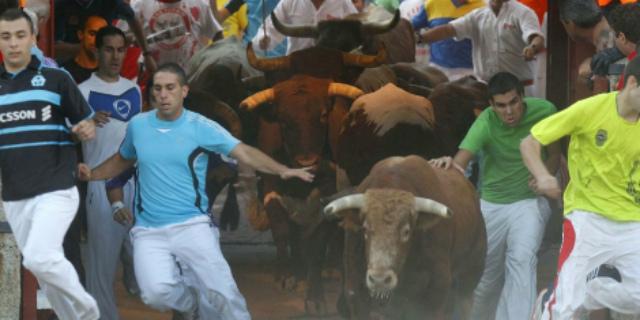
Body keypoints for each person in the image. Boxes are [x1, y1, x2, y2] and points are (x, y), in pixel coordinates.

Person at [77, 63, 314, 319]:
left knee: (223, 294)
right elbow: (123, 159)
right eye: (158, 89)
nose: (163, 95)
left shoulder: (201, 126)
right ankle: (192, 305)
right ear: (152, 93)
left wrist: (282, 170)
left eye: (170, 88)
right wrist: (93, 174)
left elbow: (243, 151)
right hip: (149, 230)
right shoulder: (138, 125)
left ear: (184, 91)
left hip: (192, 226)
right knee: (154, 294)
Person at [430, 72, 560, 320]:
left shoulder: (545, 110)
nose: (509, 111)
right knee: (486, 279)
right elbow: (460, 163)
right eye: (501, 105)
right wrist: (448, 162)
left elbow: (554, 154)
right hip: (491, 205)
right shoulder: (485, 123)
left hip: (529, 202)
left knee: (522, 262)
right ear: (491, 105)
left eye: (513, 102)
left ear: (523, 97)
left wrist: (545, 175)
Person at [523, 56, 640, 320]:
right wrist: (542, 175)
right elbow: (529, 143)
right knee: (565, 310)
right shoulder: (588, 109)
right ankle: (550, 304)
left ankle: (593, 292)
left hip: (633, 221)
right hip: (587, 218)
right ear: (632, 83)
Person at [0, 8, 99, 320]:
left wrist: (87, 128)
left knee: (41, 259)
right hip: (14, 194)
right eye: (5, 36)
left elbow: (88, 122)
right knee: (42, 268)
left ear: (33, 38)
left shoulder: (56, 79)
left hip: (55, 189)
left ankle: (88, 311)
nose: (13, 43)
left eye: (19, 35)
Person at [78, 25, 142, 320]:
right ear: (96, 51)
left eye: (120, 50)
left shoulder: (133, 91)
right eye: (109, 49)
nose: (115, 56)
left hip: (135, 186)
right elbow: (68, 138)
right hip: (100, 186)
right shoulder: (82, 92)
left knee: (144, 258)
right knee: (100, 267)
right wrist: (85, 124)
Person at [421, 0, 544, 96]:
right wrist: (420, 38)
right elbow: (449, 30)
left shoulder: (523, 13)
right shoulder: (477, 16)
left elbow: (536, 37)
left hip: (520, 90)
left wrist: (532, 48)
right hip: (486, 92)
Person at [54, 0, 156, 73]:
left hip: (103, 66)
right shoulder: (60, 5)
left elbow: (132, 18)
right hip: (70, 65)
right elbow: (53, 48)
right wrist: (87, 48)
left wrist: (147, 54)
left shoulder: (111, 2)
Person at [131, 0, 223, 69]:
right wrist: (139, 40)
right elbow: (124, 38)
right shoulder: (141, 5)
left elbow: (217, 34)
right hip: (153, 76)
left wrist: (213, 62)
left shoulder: (199, 4)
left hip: (190, 78)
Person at [411, 0, 485, 81]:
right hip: (437, 70)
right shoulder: (432, 3)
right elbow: (410, 27)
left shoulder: (484, 8)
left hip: (471, 71)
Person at [251, 0, 358, 55]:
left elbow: (358, 34)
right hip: (295, 67)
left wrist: (343, 28)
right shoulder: (290, 2)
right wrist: (264, 40)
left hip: (332, 67)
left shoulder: (343, 2)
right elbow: (269, 30)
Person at [61, 15, 108, 84]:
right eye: (92, 34)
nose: (97, 40)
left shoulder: (110, 72)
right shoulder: (65, 72)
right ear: (80, 35)